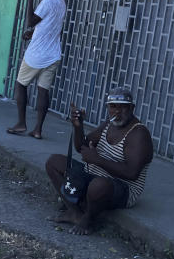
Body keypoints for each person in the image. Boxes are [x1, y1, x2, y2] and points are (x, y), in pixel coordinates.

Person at [45, 88, 153, 235]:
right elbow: (81, 147)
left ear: (132, 108)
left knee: (98, 185)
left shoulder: (139, 134)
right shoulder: (109, 124)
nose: (117, 111)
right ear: (108, 108)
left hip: (123, 189)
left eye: (123, 107)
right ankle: (74, 212)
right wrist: (78, 126)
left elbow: (132, 173)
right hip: (94, 177)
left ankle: (89, 219)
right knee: (54, 162)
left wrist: (97, 159)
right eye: (113, 106)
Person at [6, 0, 66, 140]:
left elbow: (31, 20)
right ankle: (38, 129)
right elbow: (49, 25)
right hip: (53, 54)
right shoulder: (60, 2)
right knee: (43, 91)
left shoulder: (46, 2)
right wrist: (32, 33)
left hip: (36, 54)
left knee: (20, 85)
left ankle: (21, 123)